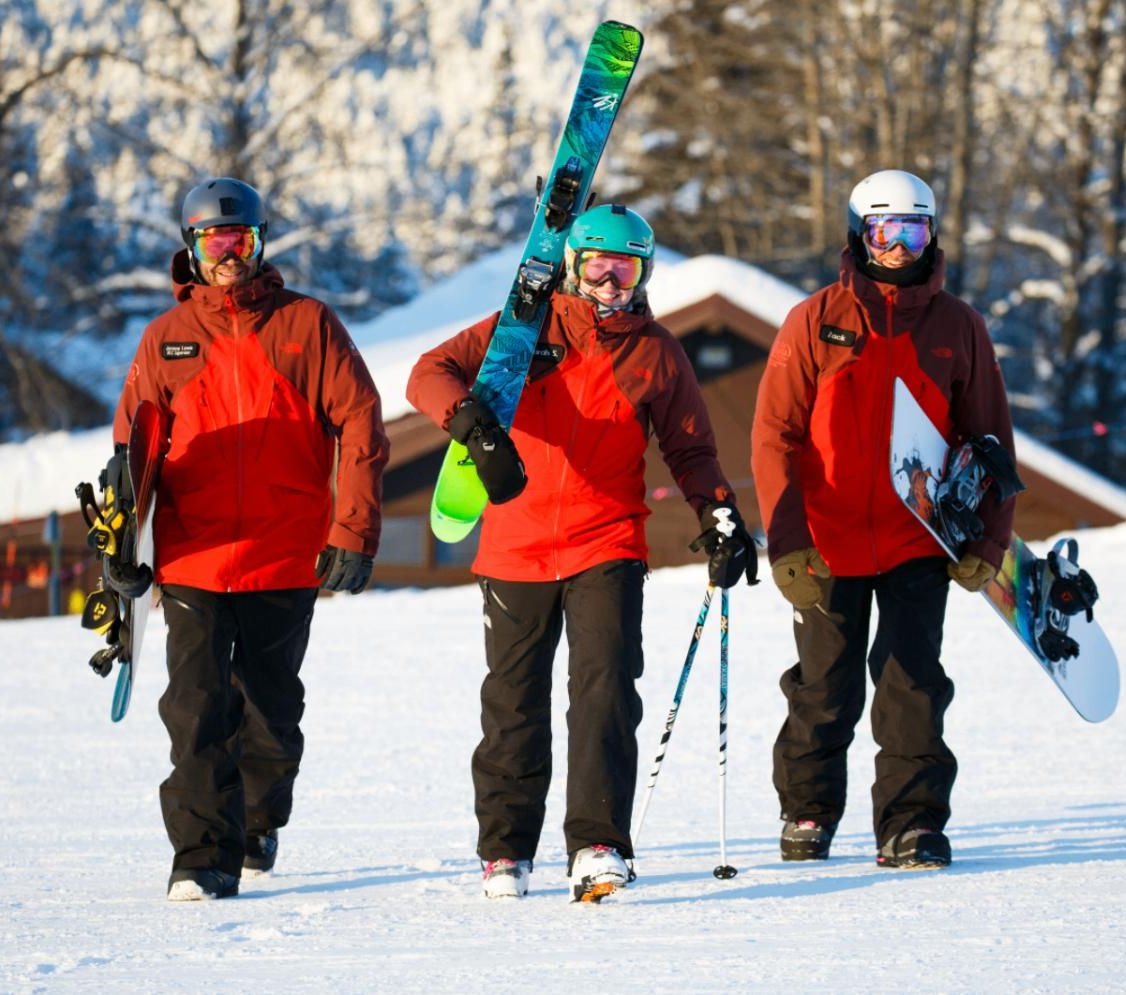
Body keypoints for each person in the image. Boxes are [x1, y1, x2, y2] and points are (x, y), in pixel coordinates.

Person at [406, 204, 756, 900]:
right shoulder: (525, 327)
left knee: (603, 694)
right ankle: (506, 850)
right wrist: (474, 428)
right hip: (515, 544)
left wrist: (718, 510)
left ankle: (597, 844)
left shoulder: (656, 351)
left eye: (626, 268)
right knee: (513, 703)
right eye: (598, 266)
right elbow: (427, 372)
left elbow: (690, 447)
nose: (611, 281)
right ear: (573, 266)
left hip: (607, 543)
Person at [112, 177, 389, 901]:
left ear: (260, 243)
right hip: (193, 558)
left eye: (241, 241)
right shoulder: (164, 340)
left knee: (272, 716)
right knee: (197, 709)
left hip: (284, 555)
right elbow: (131, 453)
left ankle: (259, 817)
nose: (230, 255)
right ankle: (203, 856)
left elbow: (360, 422)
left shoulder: (307, 326)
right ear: (193, 250)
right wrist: (122, 552)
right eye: (214, 242)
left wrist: (352, 528)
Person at [751, 169, 1016, 870]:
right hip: (827, 542)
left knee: (911, 686)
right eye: (885, 230)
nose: (900, 246)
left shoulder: (958, 327)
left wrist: (987, 538)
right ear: (858, 233)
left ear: (933, 234)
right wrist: (786, 540)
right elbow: (773, 434)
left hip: (916, 537)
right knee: (824, 688)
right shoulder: (815, 320)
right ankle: (808, 809)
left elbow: (992, 441)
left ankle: (913, 824)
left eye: (915, 230)